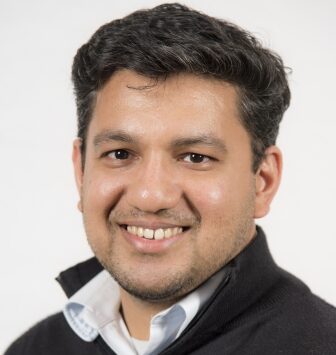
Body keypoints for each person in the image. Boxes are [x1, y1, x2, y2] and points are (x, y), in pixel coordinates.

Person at [5, 3, 336, 355]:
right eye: (120, 154)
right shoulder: (36, 348)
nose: (150, 195)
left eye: (196, 157)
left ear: (263, 182)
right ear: (82, 172)